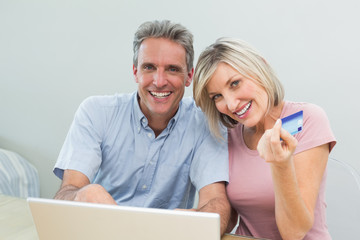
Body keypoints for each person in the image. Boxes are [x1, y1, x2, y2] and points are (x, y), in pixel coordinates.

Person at [53, 20, 230, 234]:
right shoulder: (95, 112)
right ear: (135, 71)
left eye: (172, 69)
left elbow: (216, 202)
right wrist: (80, 196)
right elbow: (65, 194)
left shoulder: (205, 123)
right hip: (101, 232)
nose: (159, 81)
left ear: (189, 76)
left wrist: (200, 223)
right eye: (149, 67)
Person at [193, 37, 336, 240]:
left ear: (261, 67)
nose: (231, 105)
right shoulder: (229, 135)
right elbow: (229, 218)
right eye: (217, 96)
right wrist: (192, 219)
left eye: (235, 83)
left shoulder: (306, 119)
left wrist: (281, 165)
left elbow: (294, 232)